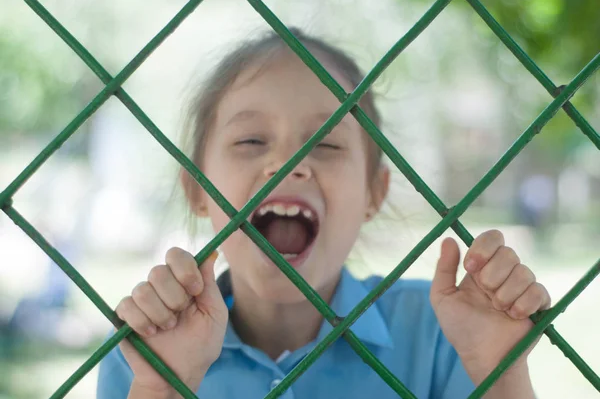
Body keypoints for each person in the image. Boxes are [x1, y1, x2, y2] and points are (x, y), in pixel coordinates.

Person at [97, 28, 551, 399]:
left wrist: (501, 372)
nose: (289, 164)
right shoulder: (142, 350)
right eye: (251, 141)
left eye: (328, 144)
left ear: (375, 192)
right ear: (197, 188)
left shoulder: (444, 331)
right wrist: (163, 390)